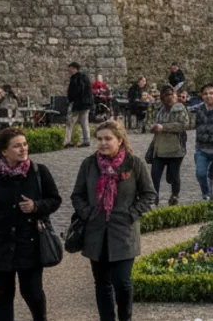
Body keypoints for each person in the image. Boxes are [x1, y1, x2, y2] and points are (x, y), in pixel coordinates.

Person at [0, 127, 61, 321]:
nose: (23, 149)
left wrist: (36, 206)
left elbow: (55, 200)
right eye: (17, 146)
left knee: (32, 293)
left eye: (25, 144)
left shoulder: (39, 172)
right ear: (4, 151)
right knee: (2, 297)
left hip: (29, 244)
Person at [71, 120, 156, 321]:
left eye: (108, 139)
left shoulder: (134, 164)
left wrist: (131, 213)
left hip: (123, 232)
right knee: (102, 284)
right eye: (99, 139)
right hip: (96, 232)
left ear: (119, 140)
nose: (103, 143)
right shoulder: (89, 164)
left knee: (122, 282)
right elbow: (77, 195)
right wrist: (88, 213)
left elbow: (149, 194)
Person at [148, 86, 189, 207]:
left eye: (172, 94)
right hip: (159, 147)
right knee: (155, 174)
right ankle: (154, 196)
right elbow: (148, 122)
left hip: (175, 148)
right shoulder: (158, 110)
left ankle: (174, 195)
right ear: (162, 97)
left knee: (174, 175)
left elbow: (184, 125)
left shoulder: (180, 109)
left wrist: (163, 127)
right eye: (167, 95)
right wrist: (152, 127)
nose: (170, 97)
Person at [65, 62, 93, 149]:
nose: (69, 71)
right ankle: (86, 140)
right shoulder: (85, 77)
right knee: (84, 122)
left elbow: (75, 91)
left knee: (70, 122)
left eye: (70, 69)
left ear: (74, 68)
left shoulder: (75, 78)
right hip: (86, 104)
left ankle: (67, 141)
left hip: (78, 104)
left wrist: (70, 100)